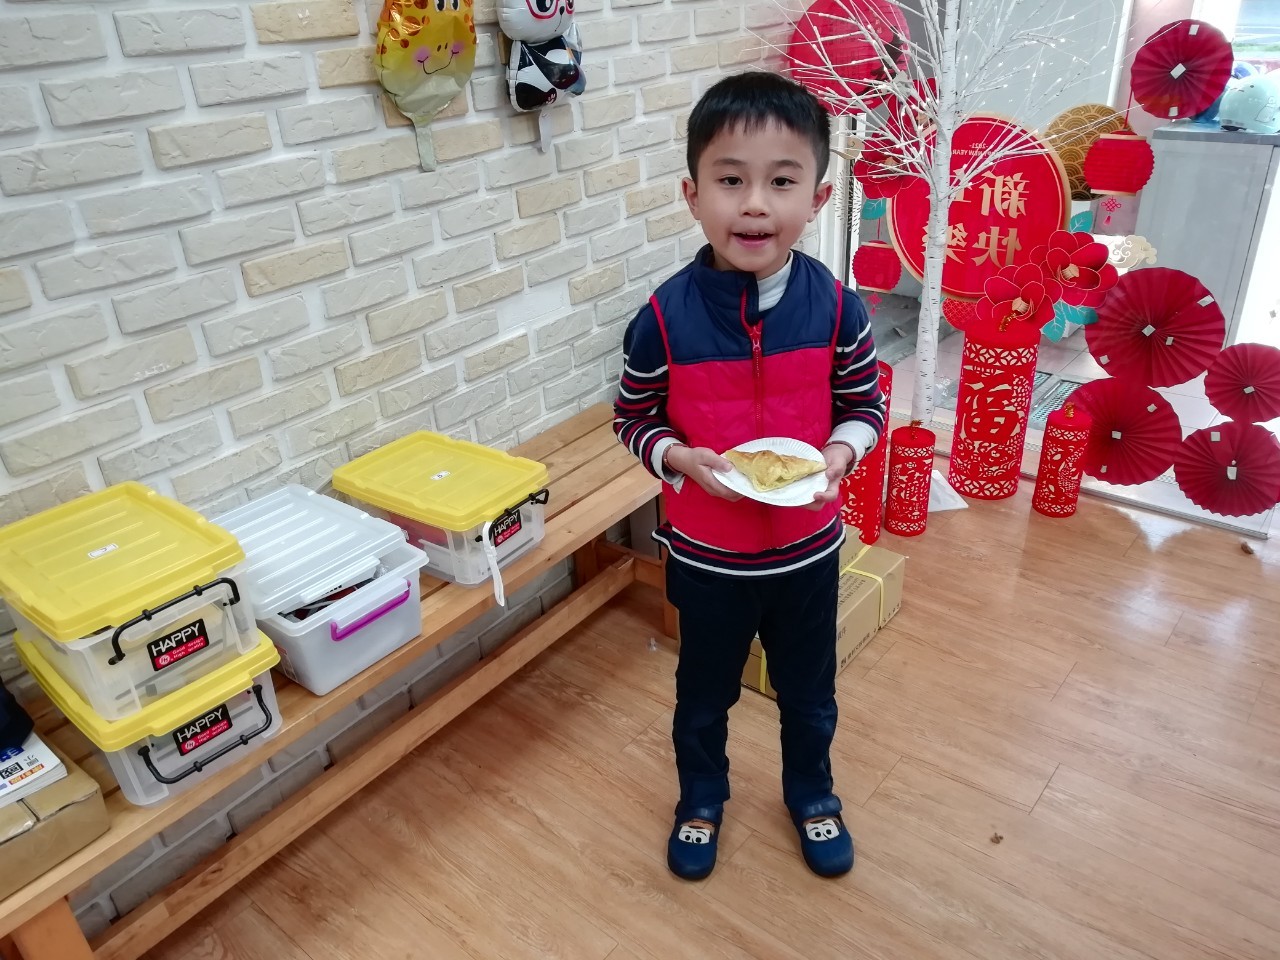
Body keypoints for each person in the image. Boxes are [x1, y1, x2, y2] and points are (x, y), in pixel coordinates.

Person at [612, 70, 887, 881]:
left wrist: (839, 455)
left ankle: (813, 794)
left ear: (821, 196)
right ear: (693, 195)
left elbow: (864, 407)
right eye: (731, 181)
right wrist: (679, 459)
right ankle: (701, 799)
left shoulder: (837, 308)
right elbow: (632, 418)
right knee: (703, 696)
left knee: (809, 693)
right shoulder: (662, 318)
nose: (755, 205)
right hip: (707, 559)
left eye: (782, 181)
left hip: (807, 552)